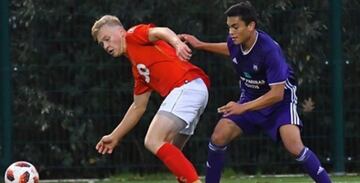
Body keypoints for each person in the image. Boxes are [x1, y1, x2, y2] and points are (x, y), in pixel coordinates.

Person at [179, 1, 332, 183]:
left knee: (294, 146)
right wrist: (200, 44)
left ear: (251, 26)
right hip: (250, 96)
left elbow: (277, 94)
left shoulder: (269, 50)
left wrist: (242, 108)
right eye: (229, 27)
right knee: (219, 136)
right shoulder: (235, 41)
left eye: (235, 27)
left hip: (280, 102)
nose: (231, 33)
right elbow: (230, 49)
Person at [91, 15, 210, 183]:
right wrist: (115, 135)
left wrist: (177, 43)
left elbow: (162, 31)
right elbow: (138, 107)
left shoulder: (133, 35)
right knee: (172, 151)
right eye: (102, 44)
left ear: (120, 31)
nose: (106, 46)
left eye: (107, 39)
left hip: (187, 86)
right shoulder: (138, 69)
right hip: (196, 90)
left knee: (153, 140)